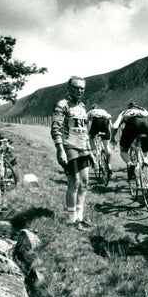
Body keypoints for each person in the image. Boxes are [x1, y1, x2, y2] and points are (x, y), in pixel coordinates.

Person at [51, 75, 92, 230]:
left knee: (85, 183)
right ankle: (71, 219)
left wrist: (90, 150)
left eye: (82, 88)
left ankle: (79, 218)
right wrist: (60, 149)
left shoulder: (82, 106)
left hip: (83, 148)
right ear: (69, 88)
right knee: (74, 182)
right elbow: (56, 128)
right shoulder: (62, 105)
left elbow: (84, 130)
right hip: (69, 147)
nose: (79, 91)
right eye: (76, 87)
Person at [112, 102, 148, 179]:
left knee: (123, 151)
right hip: (146, 124)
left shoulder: (125, 112)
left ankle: (130, 164)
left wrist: (112, 137)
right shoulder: (143, 110)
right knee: (145, 154)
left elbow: (115, 126)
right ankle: (147, 164)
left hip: (132, 124)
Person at [87, 104, 114, 174]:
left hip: (96, 121)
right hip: (106, 122)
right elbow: (110, 124)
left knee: (90, 137)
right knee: (107, 146)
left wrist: (89, 133)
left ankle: (94, 152)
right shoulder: (104, 111)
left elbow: (87, 123)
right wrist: (109, 134)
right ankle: (109, 165)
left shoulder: (91, 111)